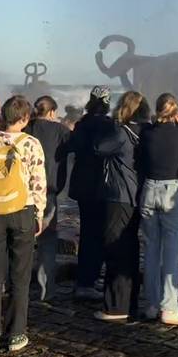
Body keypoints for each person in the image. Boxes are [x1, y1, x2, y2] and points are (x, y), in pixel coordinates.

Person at [0, 96, 47, 354]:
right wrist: (39, 213)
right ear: (25, 118)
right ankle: (16, 334)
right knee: (20, 275)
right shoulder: (31, 143)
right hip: (22, 211)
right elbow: (39, 181)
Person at [91, 91, 146, 321]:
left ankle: (115, 306)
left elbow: (98, 147)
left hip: (118, 195)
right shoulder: (144, 131)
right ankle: (130, 301)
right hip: (136, 195)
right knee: (131, 249)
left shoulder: (121, 133)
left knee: (115, 248)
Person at [137, 93, 178, 325]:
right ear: (175, 112)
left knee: (150, 249)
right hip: (171, 190)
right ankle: (169, 307)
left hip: (149, 188)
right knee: (171, 251)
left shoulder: (147, 133)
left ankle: (151, 303)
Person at [64, 86, 115, 301]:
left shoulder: (82, 124)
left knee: (87, 232)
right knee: (102, 233)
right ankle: (90, 278)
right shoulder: (109, 125)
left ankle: (85, 279)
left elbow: (72, 148)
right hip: (102, 186)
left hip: (83, 186)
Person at [26, 95, 71, 302]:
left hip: (24, 191)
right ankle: (46, 290)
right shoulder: (60, 131)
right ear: (52, 112)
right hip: (48, 191)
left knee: (20, 240)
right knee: (47, 241)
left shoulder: (27, 127)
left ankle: (12, 285)